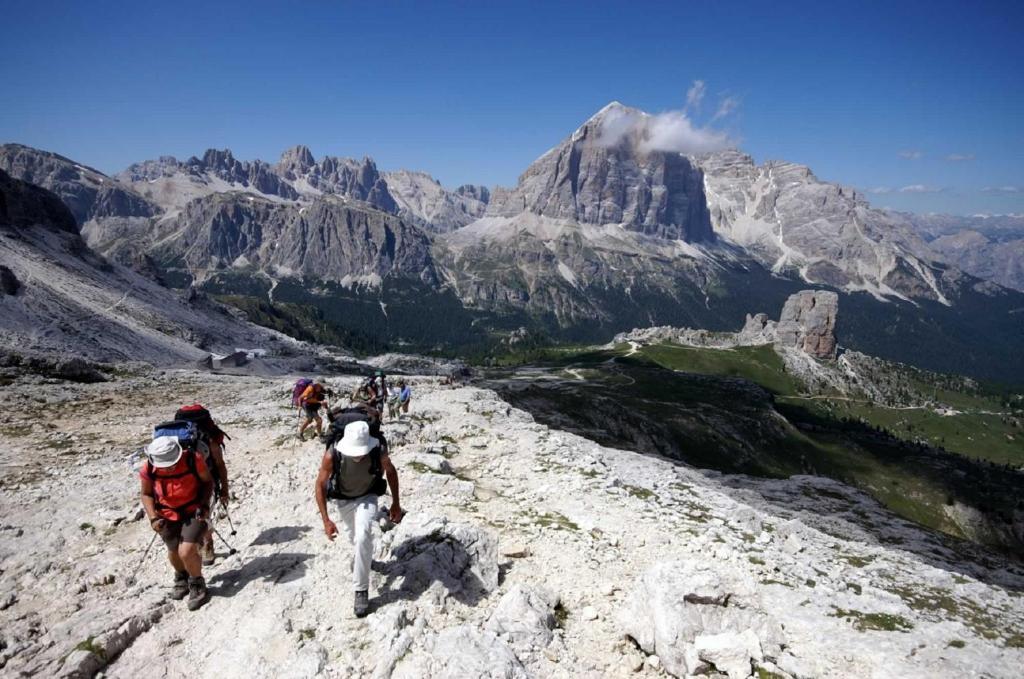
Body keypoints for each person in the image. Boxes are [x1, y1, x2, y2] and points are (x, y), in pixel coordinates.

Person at [314, 419, 403, 617]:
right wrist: (326, 520)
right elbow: (320, 485)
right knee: (355, 538)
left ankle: (360, 590)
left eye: (361, 451)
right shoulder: (332, 455)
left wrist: (396, 503)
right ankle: (365, 559)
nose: (359, 455)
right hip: (342, 498)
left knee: (363, 535)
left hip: (367, 494)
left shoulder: (377, 451)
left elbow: (391, 472)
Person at [140, 435, 213, 611]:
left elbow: (207, 482)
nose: (169, 467)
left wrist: (204, 505)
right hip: (165, 515)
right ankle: (181, 578)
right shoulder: (149, 468)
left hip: (193, 511)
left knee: (186, 551)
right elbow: (146, 494)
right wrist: (153, 518)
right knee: (173, 551)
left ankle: (197, 584)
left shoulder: (193, 459)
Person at [173, 404, 230, 567]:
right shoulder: (209, 438)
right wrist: (224, 489)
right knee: (205, 514)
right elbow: (220, 465)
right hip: (207, 482)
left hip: (180, 485)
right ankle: (207, 545)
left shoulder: (174, 440)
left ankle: (194, 545)